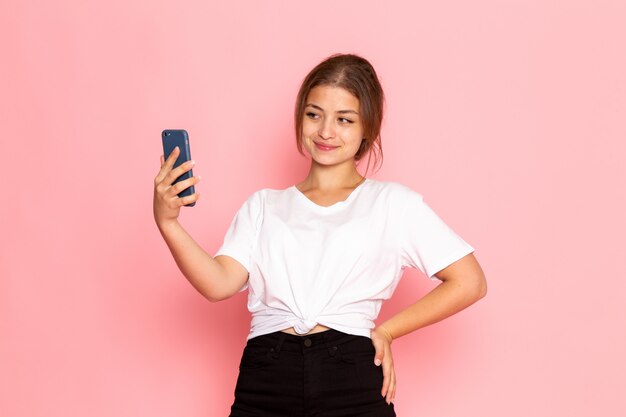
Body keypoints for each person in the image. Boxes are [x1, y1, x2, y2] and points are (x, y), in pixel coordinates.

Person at [153, 53, 487, 417]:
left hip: (351, 373)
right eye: (314, 115)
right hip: (266, 374)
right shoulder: (263, 206)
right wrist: (169, 223)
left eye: (344, 119)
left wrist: (388, 332)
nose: (326, 131)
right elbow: (219, 284)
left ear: (367, 129)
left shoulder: (393, 204)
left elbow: (469, 281)